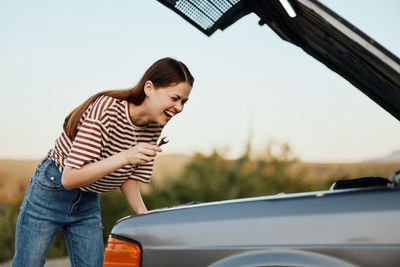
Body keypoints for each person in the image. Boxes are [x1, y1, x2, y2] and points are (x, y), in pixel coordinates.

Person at [12, 57, 194, 267]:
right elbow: (69, 179)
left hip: (88, 200)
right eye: (175, 98)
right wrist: (126, 156)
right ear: (149, 88)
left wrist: (144, 216)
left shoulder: (154, 125)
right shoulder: (107, 109)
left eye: (184, 102)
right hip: (50, 191)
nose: (179, 107)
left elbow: (127, 176)